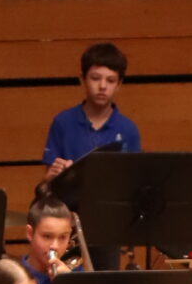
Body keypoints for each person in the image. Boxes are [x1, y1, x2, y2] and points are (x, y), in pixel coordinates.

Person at [42, 40, 142, 179]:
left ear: (119, 84)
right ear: (82, 80)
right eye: (95, 78)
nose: (102, 86)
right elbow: (47, 183)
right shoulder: (62, 123)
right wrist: (51, 177)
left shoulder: (128, 129)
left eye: (110, 80)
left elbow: (134, 181)